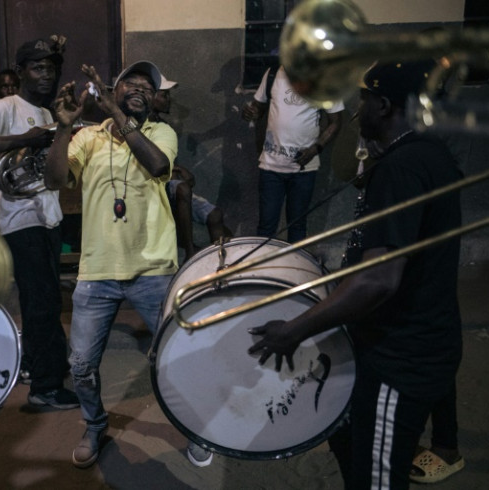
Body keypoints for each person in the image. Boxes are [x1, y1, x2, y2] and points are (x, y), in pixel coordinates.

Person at [248, 60, 463, 490]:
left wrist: (295, 330)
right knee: (345, 432)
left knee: (376, 481)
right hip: (402, 343)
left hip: (400, 360)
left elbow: (380, 280)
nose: (355, 110)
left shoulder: (402, 168)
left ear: (383, 106)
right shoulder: (423, 152)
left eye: (363, 100)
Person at [45, 61, 211, 469]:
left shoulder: (161, 133)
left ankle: (195, 428)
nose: (139, 89)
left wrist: (116, 114)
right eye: (129, 84)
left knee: (179, 357)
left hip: (154, 270)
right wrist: (65, 126)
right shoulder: (88, 137)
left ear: (154, 99)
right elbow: (53, 179)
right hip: (97, 272)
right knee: (81, 366)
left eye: (146, 87)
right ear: (112, 90)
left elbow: (157, 167)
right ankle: (94, 424)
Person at [0, 38, 78, 410]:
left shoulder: (49, 113)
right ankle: (45, 386)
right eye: (38, 68)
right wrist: (22, 139)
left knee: (46, 297)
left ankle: (39, 364)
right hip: (21, 219)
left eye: (52, 69)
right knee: (40, 300)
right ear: (22, 70)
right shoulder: (6, 106)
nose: (47, 75)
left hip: (48, 217)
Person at [241, 64, 343, 243]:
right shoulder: (273, 73)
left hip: (303, 168)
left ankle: (295, 268)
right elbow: (258, 107)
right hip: (271, 166)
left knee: (297, 226)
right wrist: (251, 111)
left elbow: (335, 121)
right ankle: (266, 269)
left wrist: (316, 148)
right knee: (266, 227)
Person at [150, 76, 232, 260]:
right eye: (164, 95)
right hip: (152, 187)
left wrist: (178, 170)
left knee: (215, 215)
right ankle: (190, 252)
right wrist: (178, 170)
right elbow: (152, 165)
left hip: (167, 183)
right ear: (151, 97)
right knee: (182, 188)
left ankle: (221, 268)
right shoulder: (139, 127)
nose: (168, 100)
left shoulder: (162, 125)